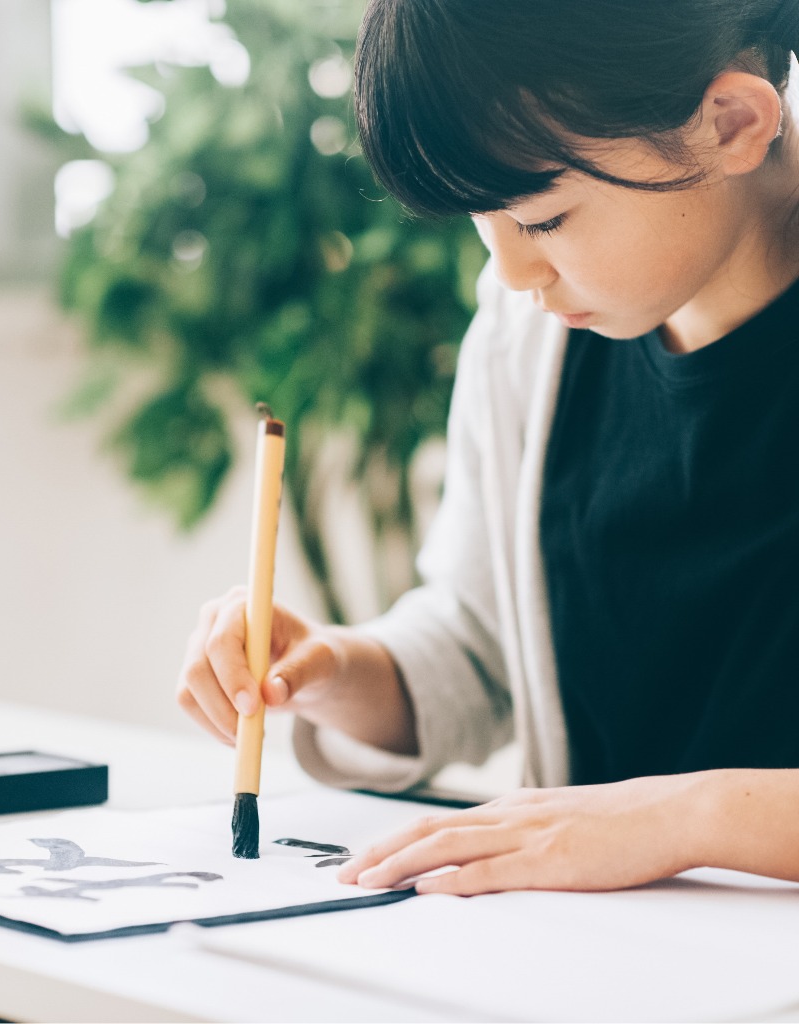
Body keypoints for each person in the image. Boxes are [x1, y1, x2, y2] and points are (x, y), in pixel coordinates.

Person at [177, 0, 799, 896]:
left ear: (730, 123)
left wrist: (684, 819)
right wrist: (327, 671)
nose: (510, 273)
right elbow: (478, 647)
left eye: (544, 218)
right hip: (615, 958)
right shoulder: (532, 333)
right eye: (482, 217)